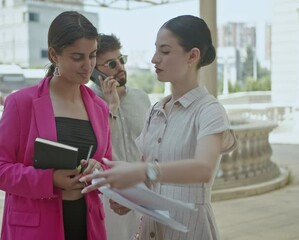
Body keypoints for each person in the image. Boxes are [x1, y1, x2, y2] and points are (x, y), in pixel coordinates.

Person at [80, 15, 238, 240]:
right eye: (156, 50)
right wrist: (129, 196)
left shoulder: (209, 110)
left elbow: (203, 169)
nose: (154, 59)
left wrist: (140, 171)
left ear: (193, 56)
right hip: (151, 230)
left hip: (190, 230)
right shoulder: (155, 110)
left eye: (164, 51)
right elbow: (147, 177)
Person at [0, 11, 112, 240]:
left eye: (92, 55)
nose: (88, 65)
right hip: (35, 227)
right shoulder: (22, 103)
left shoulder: (99, 107)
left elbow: (108, 164)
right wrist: (48, 179)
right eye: (77, 57)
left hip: (87, 223)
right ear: (54, 54)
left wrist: (98, 170)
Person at [89, 34, 151, 240]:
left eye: (121, 60)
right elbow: (95, 148)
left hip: (143, 196)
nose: (120, 67)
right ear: (94, 70)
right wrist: (111, 106)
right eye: (112, 63)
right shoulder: (86, 102)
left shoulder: (142, 98)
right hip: (108, 202)